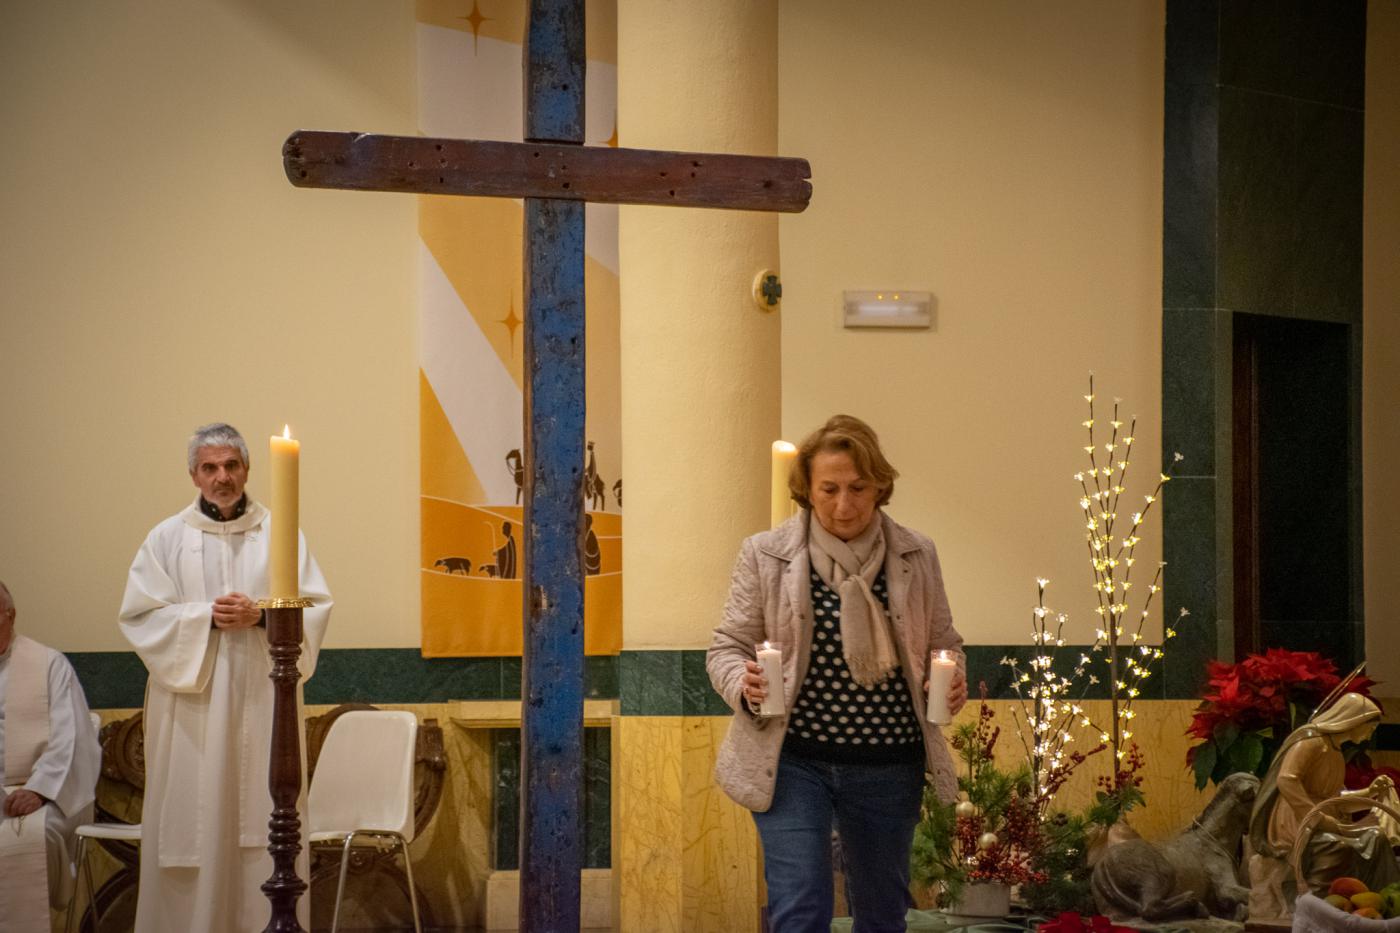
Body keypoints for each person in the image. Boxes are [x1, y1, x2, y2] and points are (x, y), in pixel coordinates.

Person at [708, 414, 967, 932]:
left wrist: (952, 676)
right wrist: (745, 683)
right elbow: (728, 647)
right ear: (807, 488)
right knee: (800, 906)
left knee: (881, 911)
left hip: (888, 765)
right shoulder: (766, 554)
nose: (843, 504)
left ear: (880, 487)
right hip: (791, 762)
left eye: (858, 488)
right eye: (828, 489)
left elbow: (945, 643)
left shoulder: (917, 553)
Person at [119, 423, 332, 933]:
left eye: (231, 465)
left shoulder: (280, 533)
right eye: (210, 467)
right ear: (193, 474)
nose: (222, 477)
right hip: (193, 709)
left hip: (264, 702)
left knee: (265, 817)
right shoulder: (166, 538)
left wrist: (261, 616)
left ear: (248, 469)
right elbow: (138, 617)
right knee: (192, 822)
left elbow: (317, 607)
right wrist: (204, 619)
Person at [0, 580, 102, 932]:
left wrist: (39, 790)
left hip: (42, 794)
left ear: (9, 615)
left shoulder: (48, 665)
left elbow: (70, 738)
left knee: (32, 837)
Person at [1247, 691, 1400, 918]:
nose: (1369, 735)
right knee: (1337, 846)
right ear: (1353, 721)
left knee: (1376, 837)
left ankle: (1383, 902)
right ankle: (1318, 904)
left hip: (1323, 817)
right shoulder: (1311, 740)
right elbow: (1287, 779)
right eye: (1369, 728)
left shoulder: (1334, 750)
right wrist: (1315, 815)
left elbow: (1335, 798)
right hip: (1297, 821)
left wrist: (1370, 793)